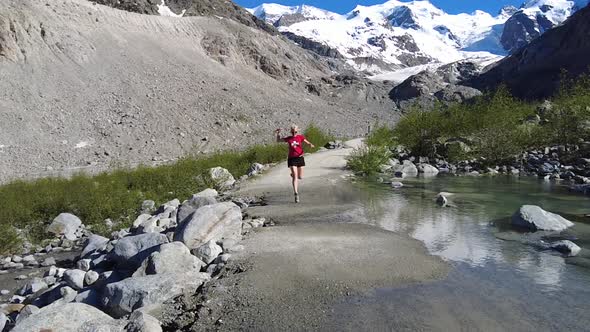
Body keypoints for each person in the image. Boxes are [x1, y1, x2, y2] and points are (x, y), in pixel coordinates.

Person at [276, 125, 315, 203]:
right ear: (291, 132)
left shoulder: (300, 137)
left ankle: (293, 175)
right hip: (292, 159)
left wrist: (310, 144)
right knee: (295, 176)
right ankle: (296, 194)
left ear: (297, 131)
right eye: (293, 132)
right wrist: (278, 133)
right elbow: (278, 140)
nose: (294, 133)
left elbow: (307, 142)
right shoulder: (289, 138)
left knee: (300, 177)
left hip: (300, 158)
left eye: (295, 132)